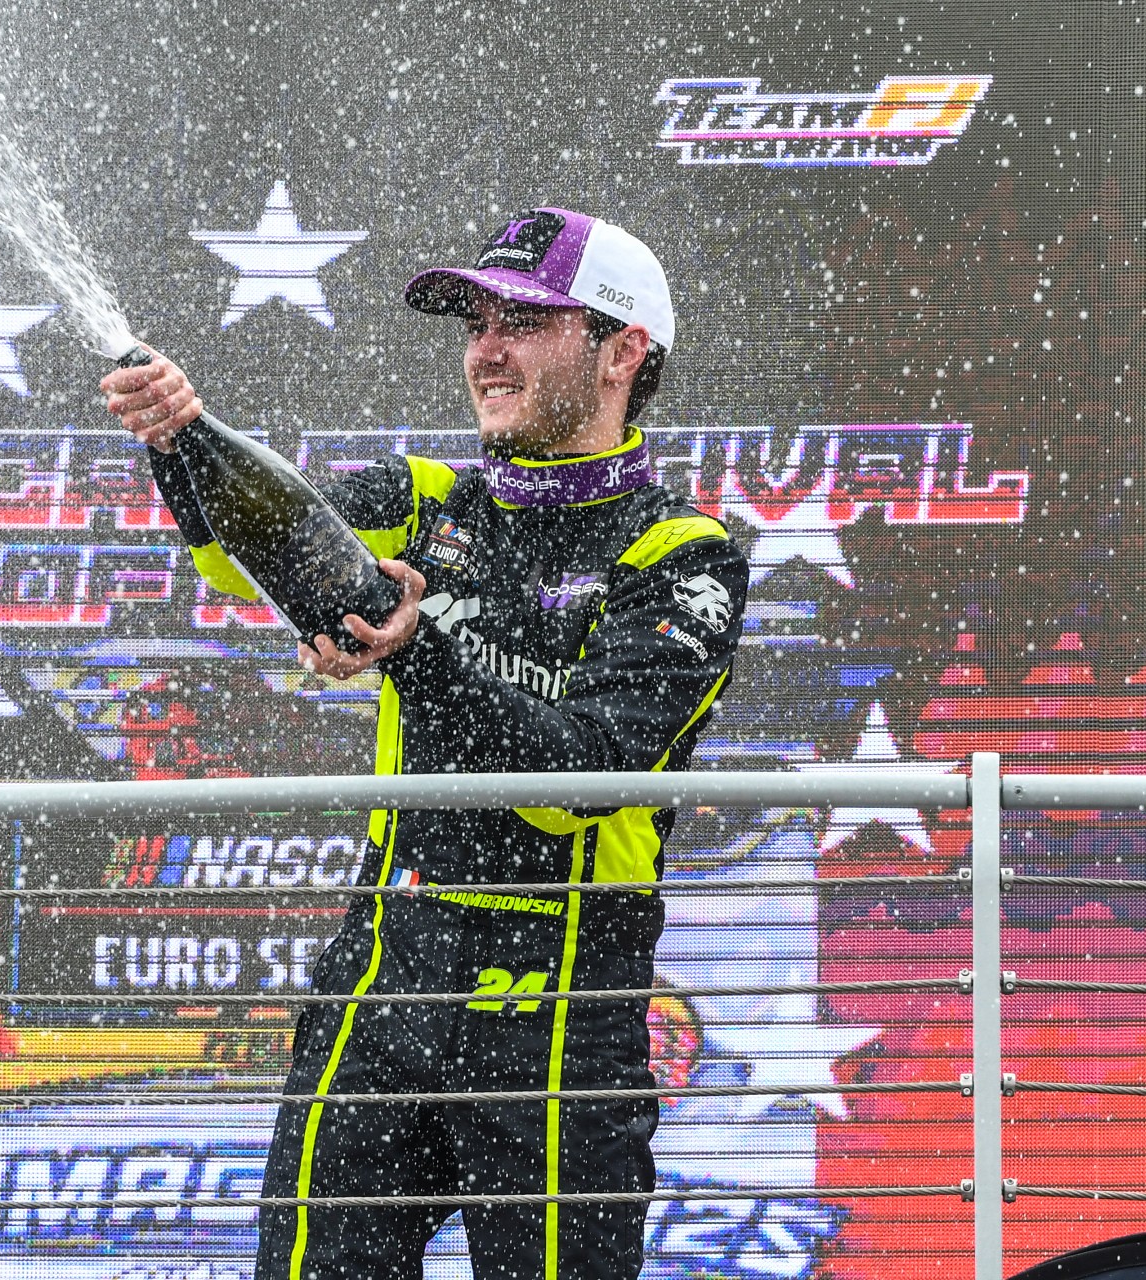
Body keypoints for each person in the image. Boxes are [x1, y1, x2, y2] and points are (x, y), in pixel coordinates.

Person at [102, 206, 749, 1280]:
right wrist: (183, 438)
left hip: (565, 993)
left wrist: (420, 650)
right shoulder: (430, 498)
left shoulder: (685, 553)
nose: (485, 351)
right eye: (476, 322)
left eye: (526, 322)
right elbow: (242, 555)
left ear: (624, 351)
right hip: (387, 963)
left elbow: (581, 778)